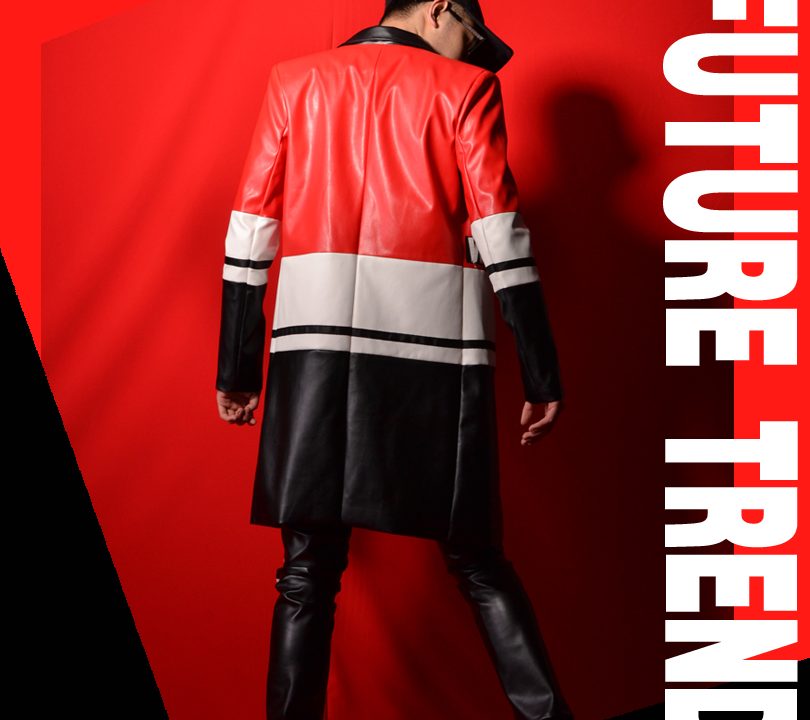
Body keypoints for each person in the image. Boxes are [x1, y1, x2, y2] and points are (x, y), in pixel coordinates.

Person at [214, 1, 572, 718]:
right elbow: (501, 231)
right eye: (471, 35)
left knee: (305, 573)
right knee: (477, 559)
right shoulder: (466, 89)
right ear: (441, 10)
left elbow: (251, 228)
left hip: (311, 348)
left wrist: (237, 366)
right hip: (434, 350)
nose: (470, 52)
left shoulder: (294, 81)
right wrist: (540, 372)